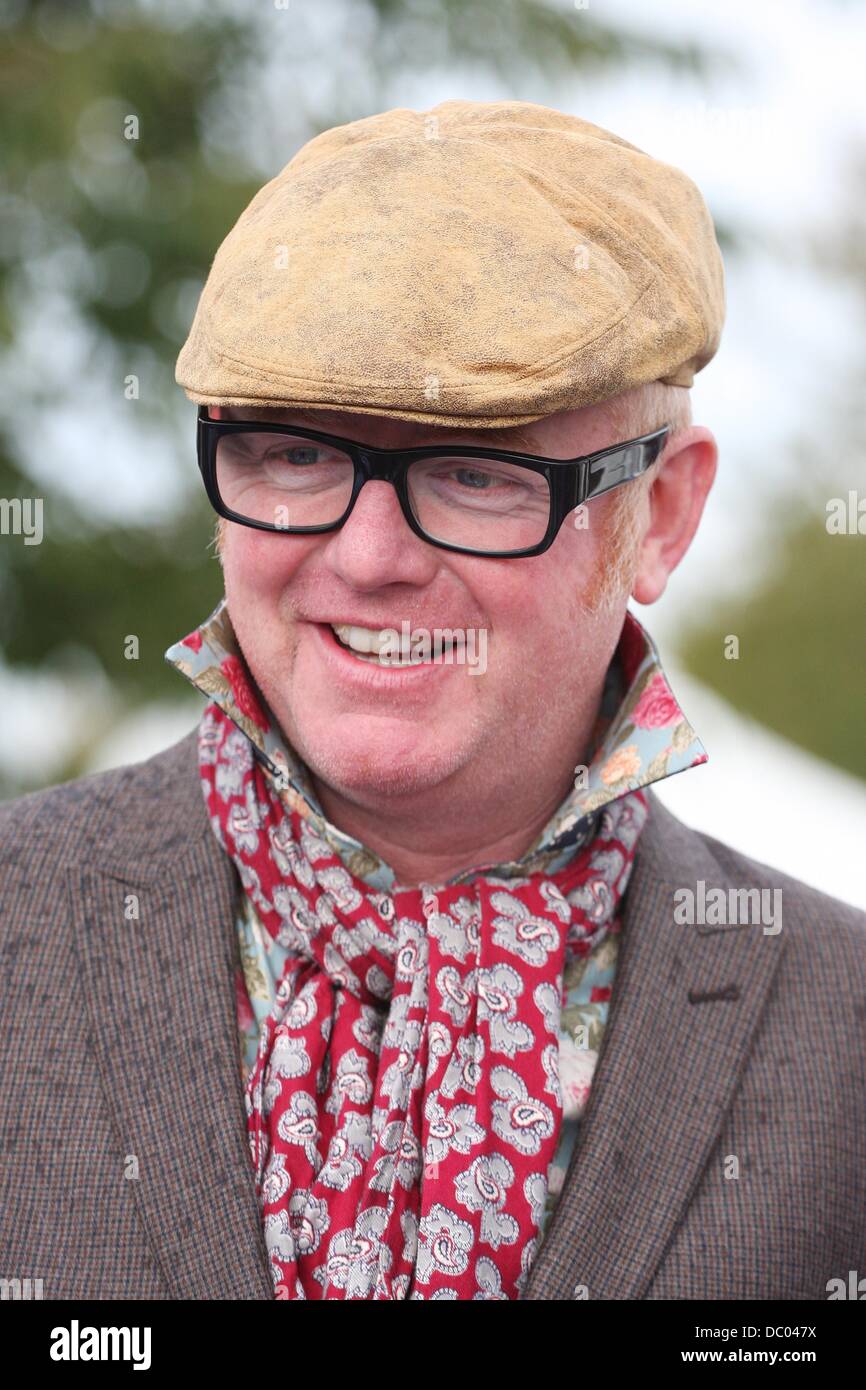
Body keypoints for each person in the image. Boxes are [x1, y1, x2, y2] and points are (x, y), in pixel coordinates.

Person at [1, 100, 863, 1302]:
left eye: (472, 471)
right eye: (296, 454)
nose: (367, 559)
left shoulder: (840, 1030)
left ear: (659, 514)